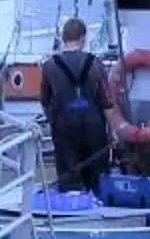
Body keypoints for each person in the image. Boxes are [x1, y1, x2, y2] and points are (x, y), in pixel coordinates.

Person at [39, 17, 111, 194]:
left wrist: (52, 120)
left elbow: (45, 99)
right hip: (94, 127)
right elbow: (106, 101)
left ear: (63, 38)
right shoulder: (96, 64)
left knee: (69, 178)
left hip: (64, 128)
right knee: (97, 178)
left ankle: (72, 210)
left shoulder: (49, 66)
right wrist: (114, 131)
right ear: (83, 38)